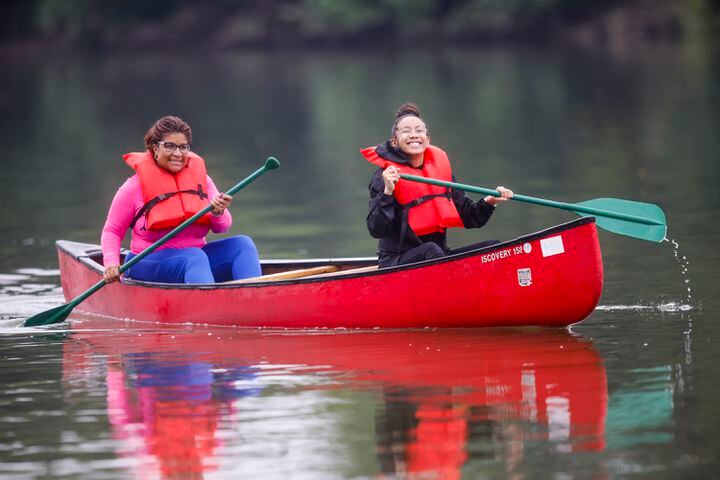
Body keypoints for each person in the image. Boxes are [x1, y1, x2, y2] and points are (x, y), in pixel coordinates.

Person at [101, 115, 261, 284]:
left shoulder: (202, 181)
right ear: (155, 148)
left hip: (195, 260)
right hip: (146, 263)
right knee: (194, 257)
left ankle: (254, 301)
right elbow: (112, 231)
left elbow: (223, 227)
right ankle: (207, 306)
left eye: (183, 147)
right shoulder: (133, 187)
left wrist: (217, 211)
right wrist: (111, 263)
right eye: (170, 146)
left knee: (243, 245)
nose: (177, 154)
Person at [362, 103, 513, 268]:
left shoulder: (441, 171)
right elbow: (377, 230)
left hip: (438, 257)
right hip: (397, 262)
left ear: (427, 140)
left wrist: (490, 201)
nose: (414, 135)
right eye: (406, 131)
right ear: (395, 142)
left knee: (494, 248)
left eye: (419, 131)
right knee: (431, 250)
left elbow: (470, 217)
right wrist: (387, 192)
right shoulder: (384, 177)